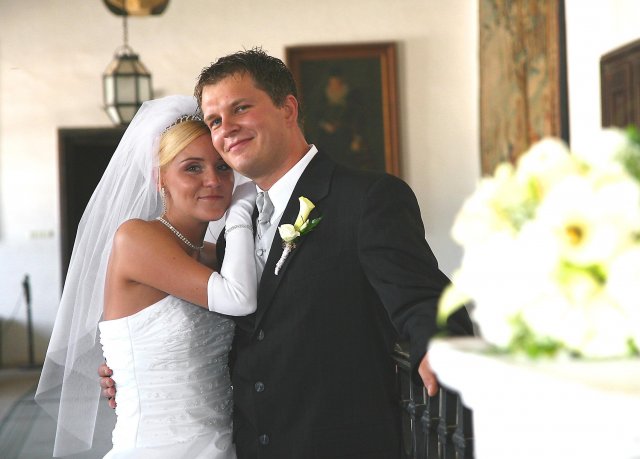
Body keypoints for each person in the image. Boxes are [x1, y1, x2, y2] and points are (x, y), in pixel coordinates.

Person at [102, 48, 474, 458]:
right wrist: (136, 371)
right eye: (215, 120)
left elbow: (423, 297)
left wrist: (438, 343)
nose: (227, 128)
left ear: (288, 108)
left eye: (240, 108)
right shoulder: (233, 234)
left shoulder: (365, 198)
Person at [36, 95, 258, 458]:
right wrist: (241, 208)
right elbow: (238, 298)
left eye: (222, 167)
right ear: (159, 178)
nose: (213, 180)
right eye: (192, 168)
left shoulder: (214, 256)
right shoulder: (136, 239)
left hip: (222, 443)